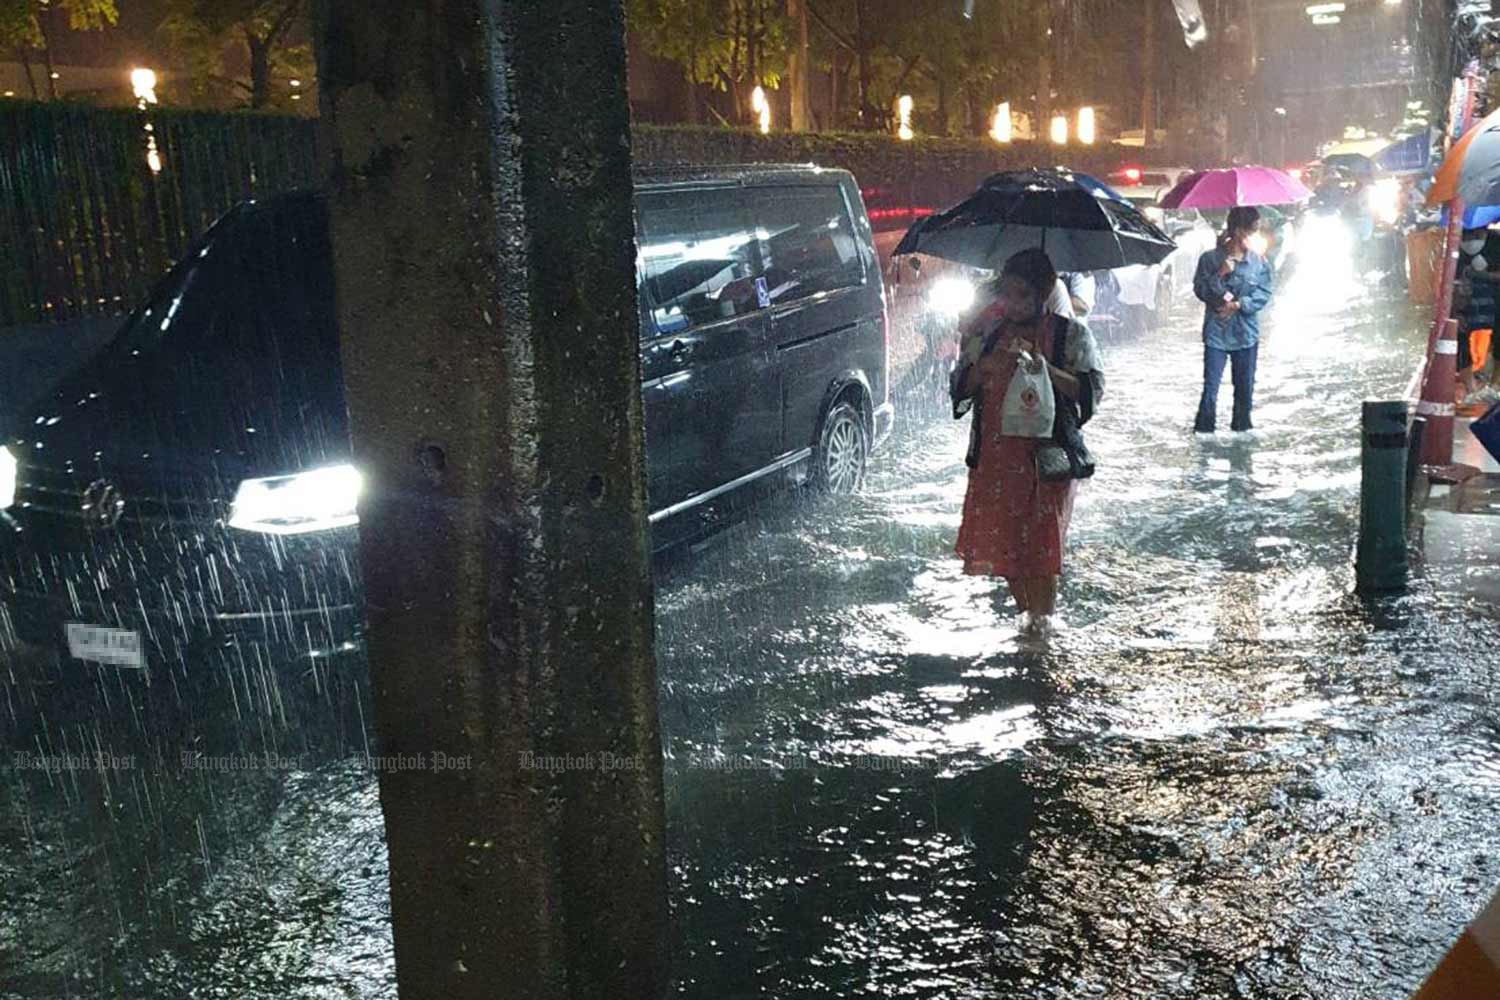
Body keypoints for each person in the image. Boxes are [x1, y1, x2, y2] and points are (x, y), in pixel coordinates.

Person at [950, 249, 1105, 634]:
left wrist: (1044, 368)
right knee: (1005, 549)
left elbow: (1089, 394)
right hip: (995, 460)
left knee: (1040, 550)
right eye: (1006, 294)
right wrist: (983, 365)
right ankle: (1029, 622)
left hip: (1044, 463)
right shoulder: (987, 333)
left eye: (1022, 295)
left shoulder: (1071, 335)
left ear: (1045, 291)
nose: (1012, 304)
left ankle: (1042, 628)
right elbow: (961, 387)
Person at [1192, 206, 1274, 434]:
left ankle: (1241, 431)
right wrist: (1220, 274)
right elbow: (1201, 291)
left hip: (1246, 334)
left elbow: (1264, 293)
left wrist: (1239, 305)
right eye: (1254, 229)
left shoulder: (1258, 261)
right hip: (1216, 332)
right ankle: (1204, 433)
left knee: (1245, 389)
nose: (1257, 234)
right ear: (1239, 231)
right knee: (1210, 388)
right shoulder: (1209, 259)